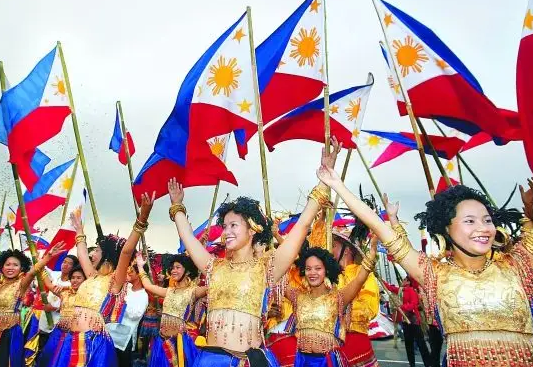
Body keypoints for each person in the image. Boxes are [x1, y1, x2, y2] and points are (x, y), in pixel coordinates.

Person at [317, 163, 533, 366]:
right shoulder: (436, 273)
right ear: (447, 229)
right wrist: (337, 185)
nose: (483, 228)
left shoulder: (517, 265)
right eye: (470, 221)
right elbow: (377, 225)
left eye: (487, 220)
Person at [168, 139, 341, 367]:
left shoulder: (267, 268)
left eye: (234, 226)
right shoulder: (214, 267)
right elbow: (189, 239)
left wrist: (324, 181)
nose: (226, 232)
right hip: (210, 361)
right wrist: (178, 207)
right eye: (225, 226)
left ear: (252, 229)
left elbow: (301, 226)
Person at [45, 192, 155, 367]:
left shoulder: (115, 281)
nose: (91, 254)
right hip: (69, 339)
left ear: (108, 256)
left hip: (92, 343)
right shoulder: (91, 276)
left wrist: (142, 218)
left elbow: (126, 252)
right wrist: (79, 231)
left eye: (96, 250)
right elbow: (81, 253)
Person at [289, 239, 377, 367]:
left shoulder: (338, 298)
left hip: (327, 362)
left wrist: (372, 251)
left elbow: (359, 279)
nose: (312, 273)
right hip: (301, 361)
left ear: (327, 270)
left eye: (318, 268)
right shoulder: (298, 296)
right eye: (308, 269)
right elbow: (276, 277)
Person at [0, 243, 66, 367]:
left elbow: (33, 272)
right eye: (7, 264)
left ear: (21, 268)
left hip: (10, 332)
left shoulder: (21, 284)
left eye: (15, 265)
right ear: (2, 267)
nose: (10, 267)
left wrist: (48, 256)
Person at [136, 252, 206, 367]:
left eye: (178, 267)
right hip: (162, 343)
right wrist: (140, 266)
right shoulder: (168, 291)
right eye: (172, 267)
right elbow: (148, 286)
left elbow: (213, 286)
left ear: (187, 271)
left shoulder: (194, 291)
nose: (173, 270)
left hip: (181, 345)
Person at [333, 229, 380, 367]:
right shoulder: (331, 276)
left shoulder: (363, 272)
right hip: (332, 345)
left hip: (356, 342)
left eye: (334, 246)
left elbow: (369, 308)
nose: (330, 249)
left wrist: (342, 309)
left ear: (346, 250)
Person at [38, 265, 87, 367]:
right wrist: (41, 264)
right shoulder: (64, 293)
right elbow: (48, 284)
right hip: (58, 333)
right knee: (48, 358)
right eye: (73, 278)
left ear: (85, 280)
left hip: (76, 336)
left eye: (79, 278)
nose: (75, 280)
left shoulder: (88, 296)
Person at [107, 261, 149, 367]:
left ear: (139, 274)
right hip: (110, 331)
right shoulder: (126, 287)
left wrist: (123, 303)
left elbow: (136, 315)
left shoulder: (143, 295)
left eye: (132, 271)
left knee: (123, 364)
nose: (129, 273)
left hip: (125, 337)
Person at [383, 278, 431, 367]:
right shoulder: (401, 290)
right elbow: (390, 288)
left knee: (421, 344)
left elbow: (414, 303)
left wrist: (402, 307)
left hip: (414, 320)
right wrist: (380, 279)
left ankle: (427, 364)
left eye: (404, 280)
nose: (402, 281)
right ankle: (411, 364)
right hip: (405, 321)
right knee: (408, 345)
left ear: (408, 282)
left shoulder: (411, 290)